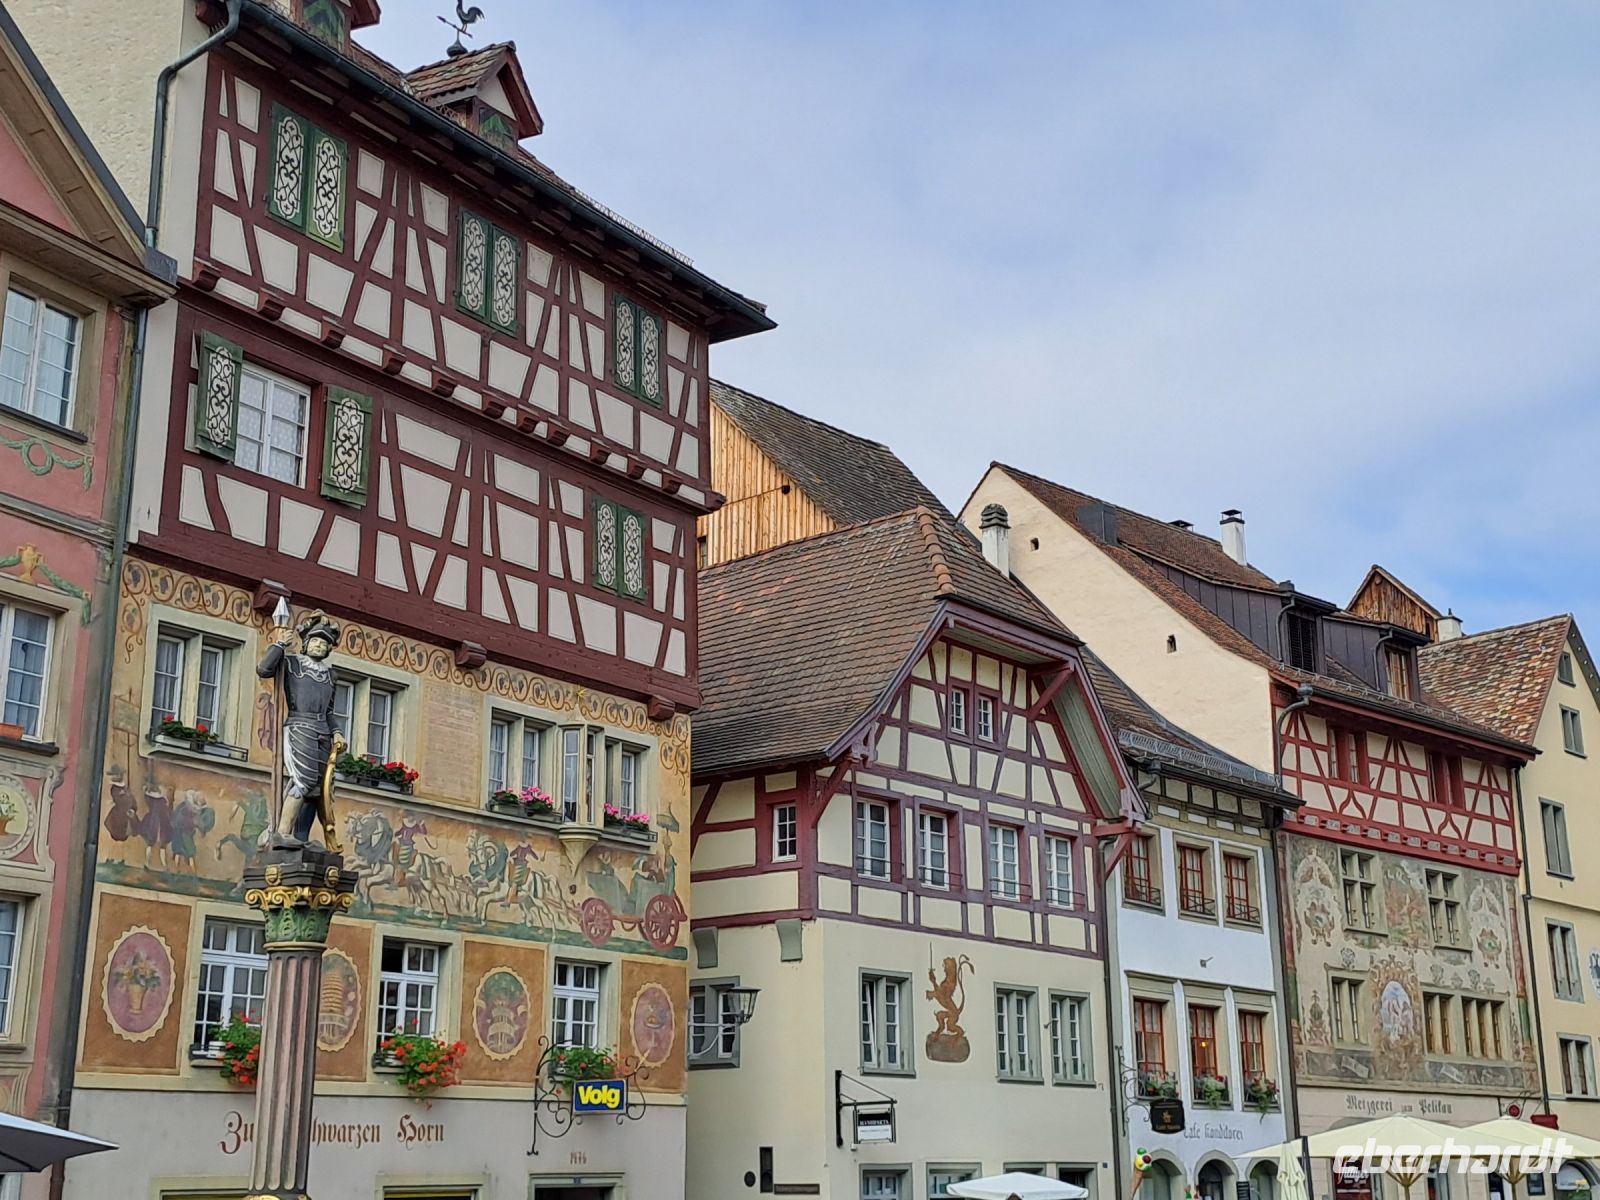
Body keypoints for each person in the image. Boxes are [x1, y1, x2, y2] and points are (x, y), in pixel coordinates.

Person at [256, 612, 345, 850]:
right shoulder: (292, 664)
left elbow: (329, 711)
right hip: (299, 726)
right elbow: (264, 670)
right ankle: (282, 832)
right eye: (315, 641)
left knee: (317, 790)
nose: (320, 645)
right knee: (303, 781)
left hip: (323, 731)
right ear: (306, 644)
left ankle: (301, 839)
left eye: (324, 643)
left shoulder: (330, 675)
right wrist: (278, 646)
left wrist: (336, 731)